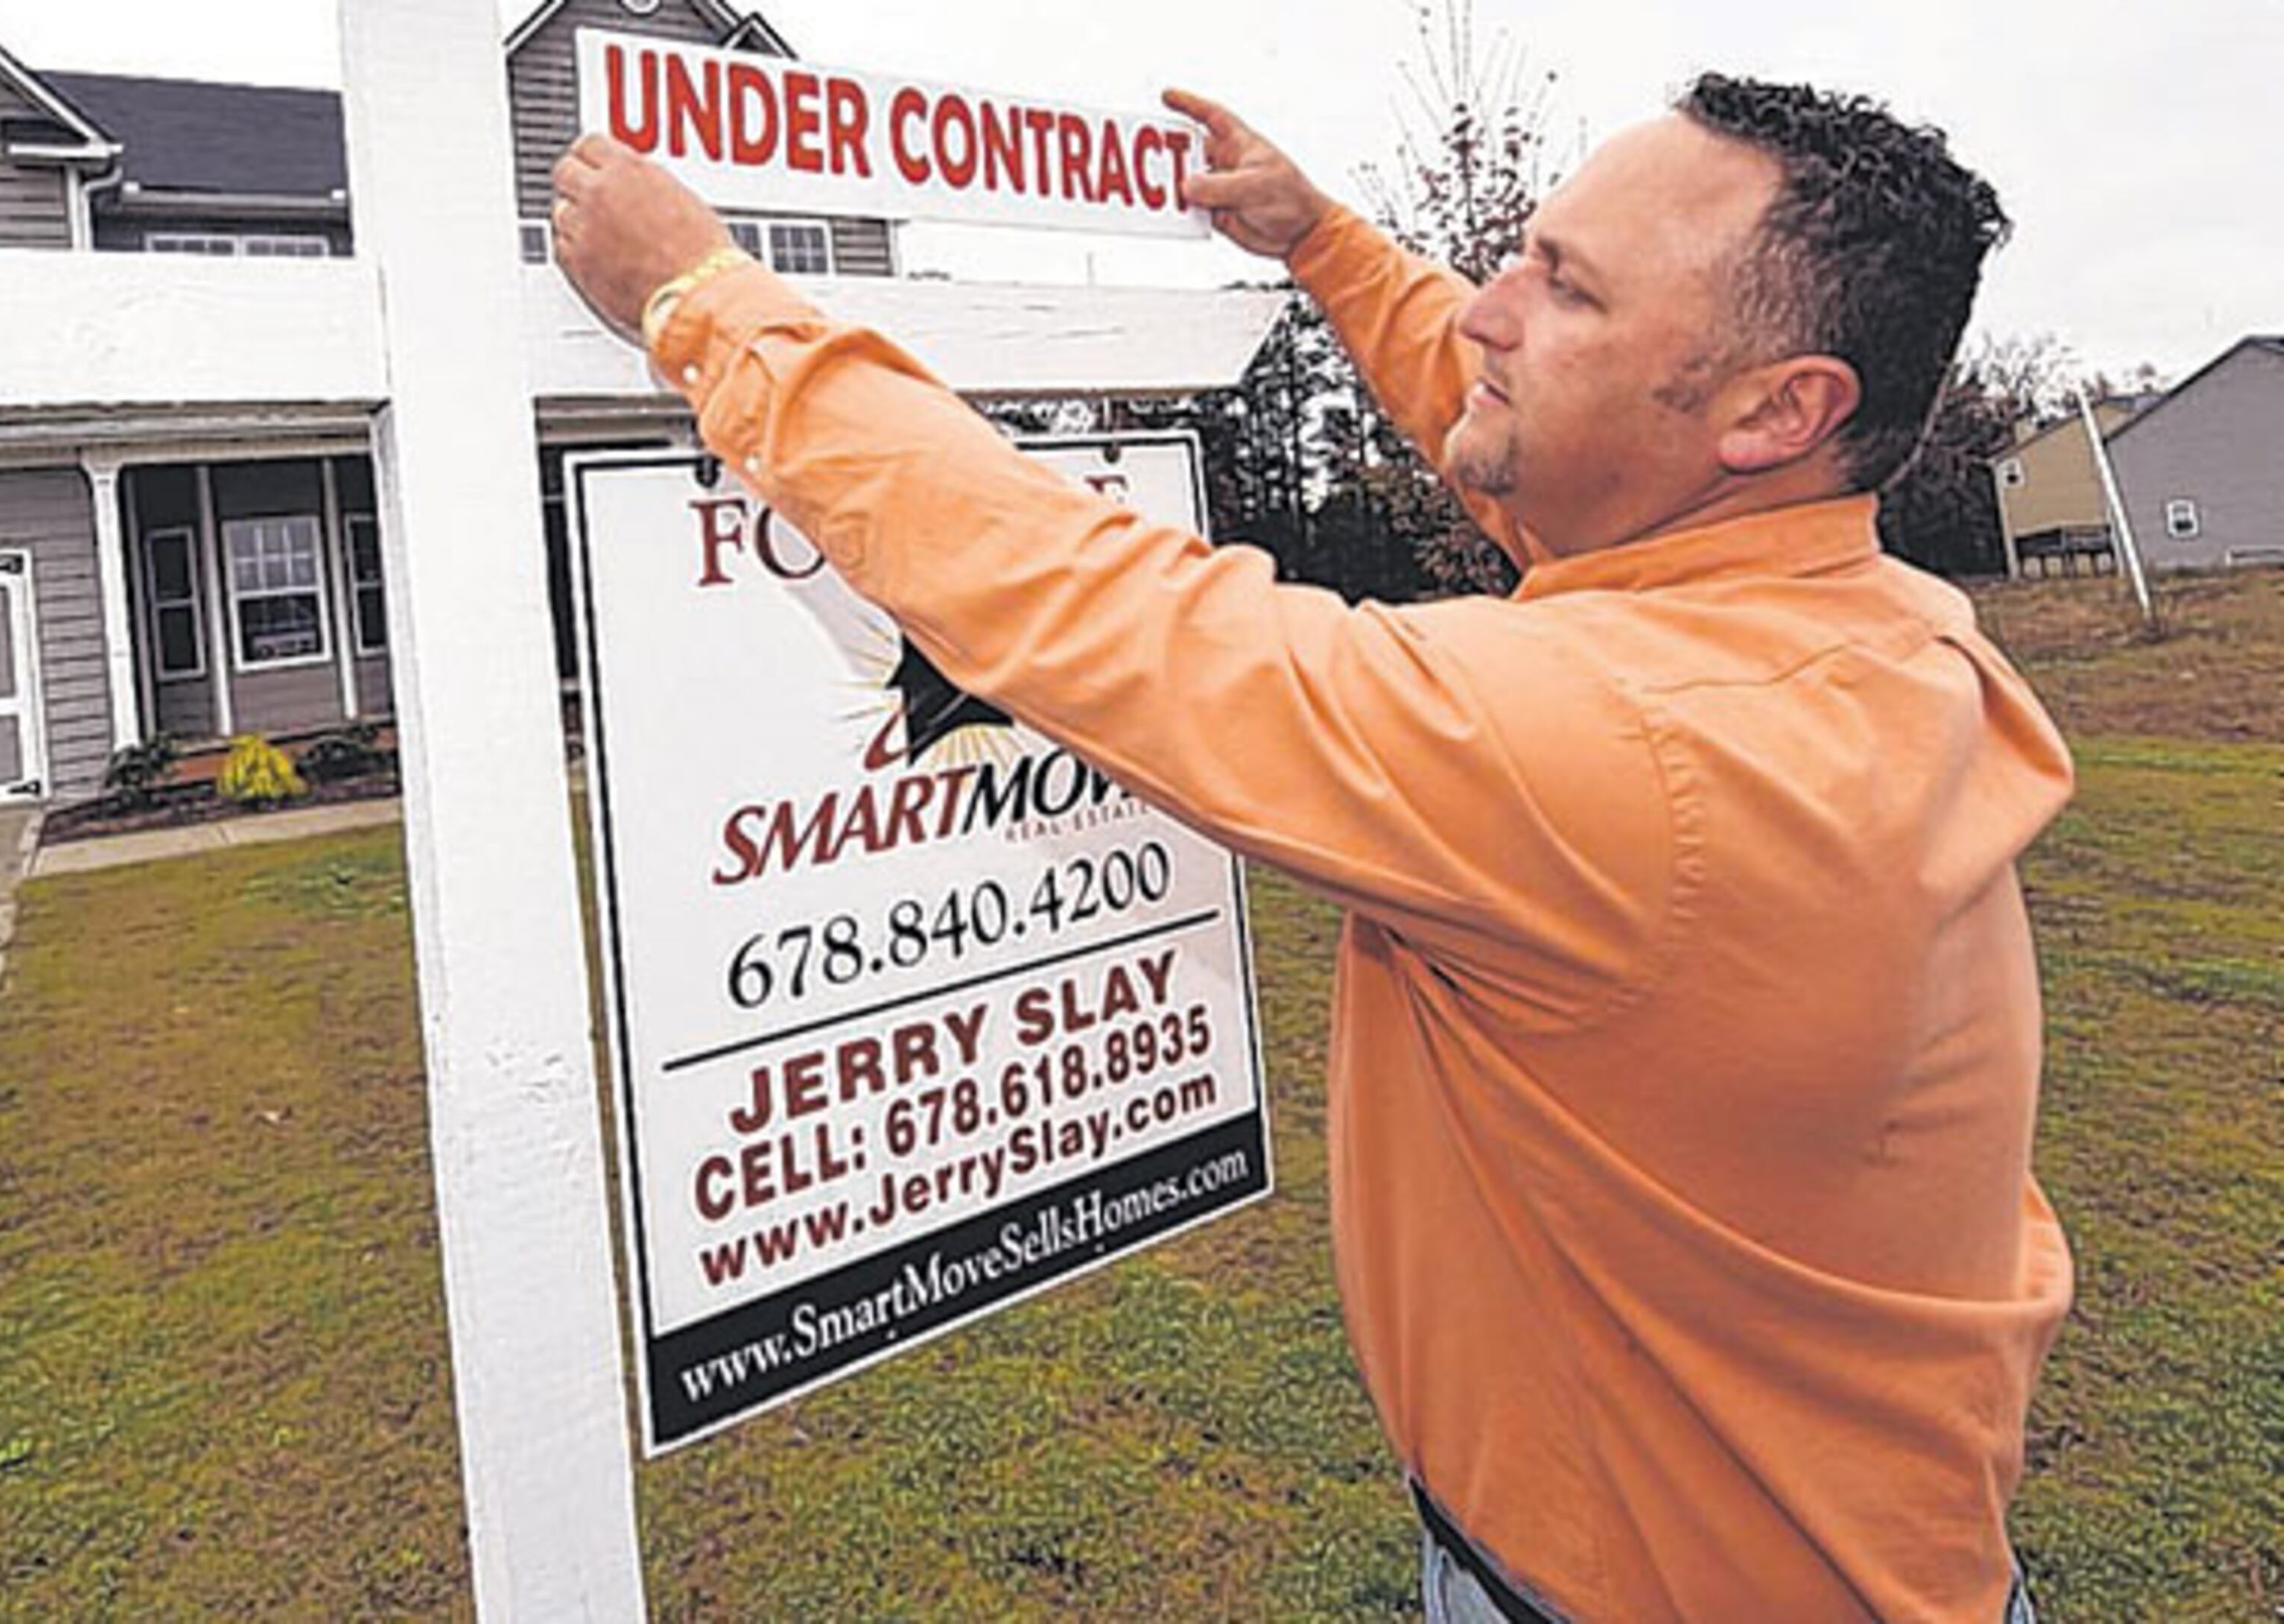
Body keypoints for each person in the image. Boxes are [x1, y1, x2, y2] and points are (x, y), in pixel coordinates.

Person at [553, 71, 2069, 1622]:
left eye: (1568, 288)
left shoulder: (1636, 754)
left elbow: (1118, 619)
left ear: (1776, 409)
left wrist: (704, 302)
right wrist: (1324, 242)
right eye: (1527, 254)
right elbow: (1538, 444)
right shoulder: (1845, 631)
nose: (1490, 307)